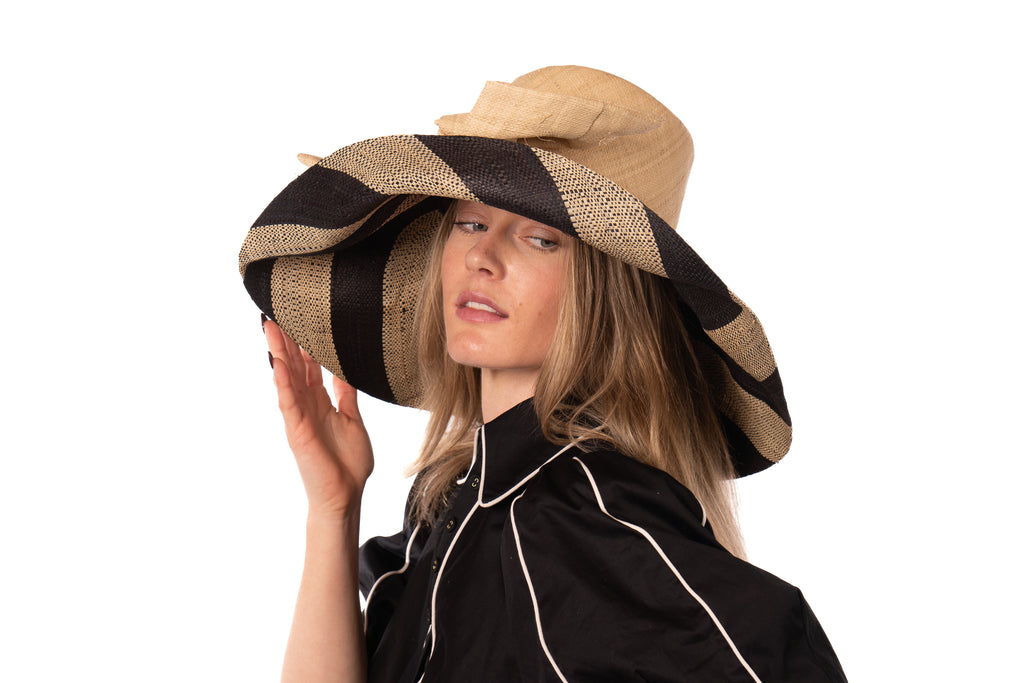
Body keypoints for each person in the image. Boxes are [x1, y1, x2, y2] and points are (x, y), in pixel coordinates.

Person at [241, 66, 847, 682]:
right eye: (471, 223)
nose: (482, 255)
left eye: (540, 239)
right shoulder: (457, 505)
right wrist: (333, 508)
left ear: (603, 292)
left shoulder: (579, 511)